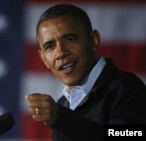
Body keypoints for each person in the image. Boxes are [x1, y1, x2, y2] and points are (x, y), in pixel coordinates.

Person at [25, 3, 146, 141]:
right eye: (50, 46)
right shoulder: (62, 105)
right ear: (43, 59)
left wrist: (62, 119)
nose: (60, 53)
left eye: (70, 39)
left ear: (94, 41)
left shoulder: (127, 89)